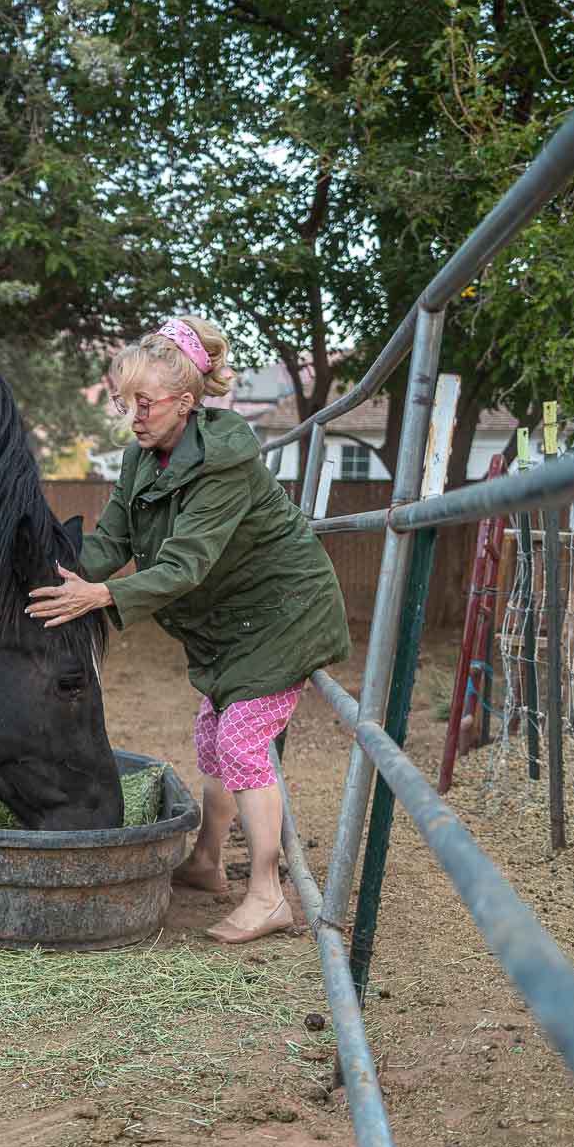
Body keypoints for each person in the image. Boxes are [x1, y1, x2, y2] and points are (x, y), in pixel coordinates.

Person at [26, 317, 351, 943]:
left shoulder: (224, 461)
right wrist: (55, 576)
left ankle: (268, 892)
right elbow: (114, 539)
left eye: (144, 403)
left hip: (284, 613)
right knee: (212, 733)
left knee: (241, 742)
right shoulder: (143, 457)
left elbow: (184, 564)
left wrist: (102, 596)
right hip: (234, 622)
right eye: (126, 403)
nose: (133, 417)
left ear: (185, 399)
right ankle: (207, 861)